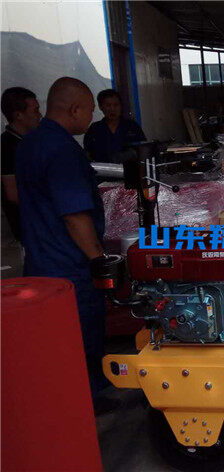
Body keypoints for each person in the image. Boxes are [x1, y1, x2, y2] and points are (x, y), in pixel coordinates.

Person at [15, 77, 109, 403]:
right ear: (74, 109)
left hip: (39, 259)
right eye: (91, 110)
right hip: (69, 264)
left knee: (52, 337)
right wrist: (98, 260)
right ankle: (87, 400)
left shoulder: (29, 143)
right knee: (80, 333)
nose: (92, 118)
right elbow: (75, 216)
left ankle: (68, 395)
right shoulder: (62, 150)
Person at [1, 87, 42, 242]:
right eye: (35, 110)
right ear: (18, 115)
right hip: (29, 226)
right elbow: (13, 194)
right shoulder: (6, 146)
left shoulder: (33, 140)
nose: (40, 115)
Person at [83, 88, 145, 163]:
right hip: (103, 170)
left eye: (116, 105)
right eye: (108, 105)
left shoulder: (132, 127)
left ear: (121, 106)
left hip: (130, 169)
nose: (112, 109)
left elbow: (143, 151)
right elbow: (87, 156)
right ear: (100, 107)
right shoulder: (94, 130)